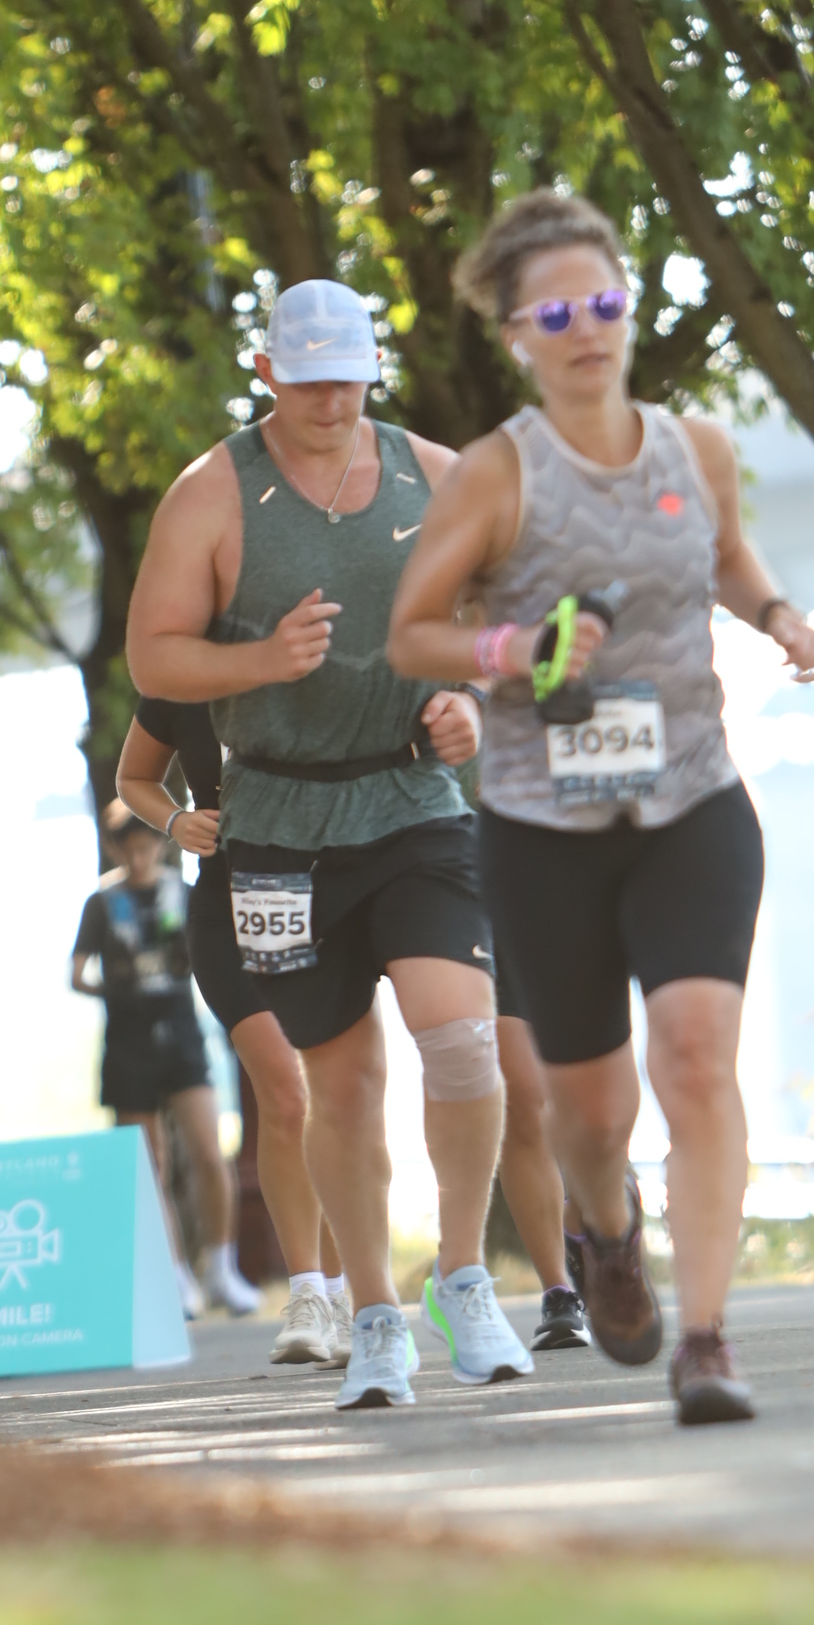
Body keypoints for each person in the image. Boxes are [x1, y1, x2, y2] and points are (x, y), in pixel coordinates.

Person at [387, 189, 814, 1426]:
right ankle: (606, 1229)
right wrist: (515, 651)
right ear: (517, 337)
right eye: (555, 314)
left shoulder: (697, 449)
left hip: (690, 800)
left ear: (630, 309)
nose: (586, 328)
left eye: (604, 302)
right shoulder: (494, 476)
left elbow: (724, 556)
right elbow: (411, 633)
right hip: (544, 830)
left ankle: (706, 1338)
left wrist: (776, 614)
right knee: (587, 1109)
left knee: (693, 1055)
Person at [124, 275, 534, 1414]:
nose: (329, 399)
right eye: (305, 380)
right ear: (266, 373)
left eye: (346, 378)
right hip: (278, 826)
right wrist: (261, 661)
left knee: (463, 1043)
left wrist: (470, 703)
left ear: (373, 368)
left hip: (412, 797)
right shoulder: (210, 495)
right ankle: (373, 1315)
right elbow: (154, 659)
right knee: (338, 1086)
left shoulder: (437, 474)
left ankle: (463, 1278)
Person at [116, 692, 353, 1368]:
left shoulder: (313, 658)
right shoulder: (178, 677)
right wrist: (176, 820)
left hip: (326, 891)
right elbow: (133, 777)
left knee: (336, 1096)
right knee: (286, 1094)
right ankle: (307, 1294)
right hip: (228, 903)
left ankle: (349, 1292)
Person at [71, 810, 261, 1320]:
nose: (139, 856)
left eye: (147, 845)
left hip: (182, 1030)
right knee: (148, 1164)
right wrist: (116, 986)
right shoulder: (102, 902)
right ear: (115, 849)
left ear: (160, 845)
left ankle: (222, 1268)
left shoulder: (184, 893)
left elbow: (213, 955)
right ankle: (174, 1275)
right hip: (127, 1036)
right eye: (128, 847)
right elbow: (77, 972)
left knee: (208, 1151)